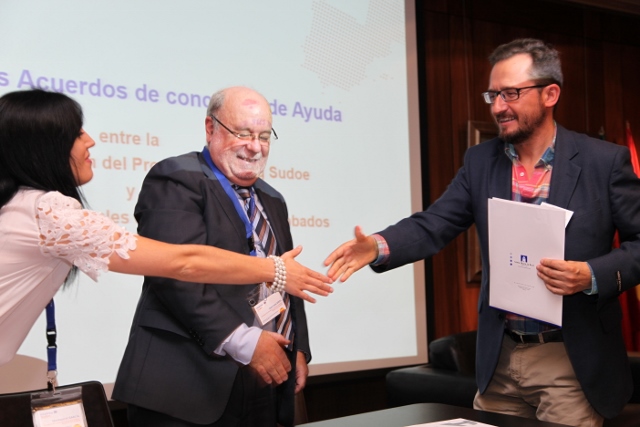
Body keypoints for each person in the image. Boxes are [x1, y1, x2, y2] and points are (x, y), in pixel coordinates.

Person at [325, 38, 640, 426]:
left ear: (550, 94)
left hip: (571, 359)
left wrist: (591, 275)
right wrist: (378, 245)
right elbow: (435, 222)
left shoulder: (603, 161)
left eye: (511, 94)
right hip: (499, 359)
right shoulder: (480, 161)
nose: (498, 107)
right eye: (493, 94)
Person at [0, 88, 333, 368]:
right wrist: (275, 269)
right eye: (76, 133)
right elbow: (182, 262)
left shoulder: (23, 204)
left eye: (263, 136)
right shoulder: (48, 213)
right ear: (42, 148)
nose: (90, 141)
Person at [113, 86, 316, 427]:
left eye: (264, 136)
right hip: (186, 387)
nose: (255, 147)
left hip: (263, 380)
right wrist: (245, 342)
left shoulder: (272, 198)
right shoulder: (176, 178)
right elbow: (175, 275)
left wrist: (297, 348)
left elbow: (285, 274)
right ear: (211, 128)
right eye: (243, 133)